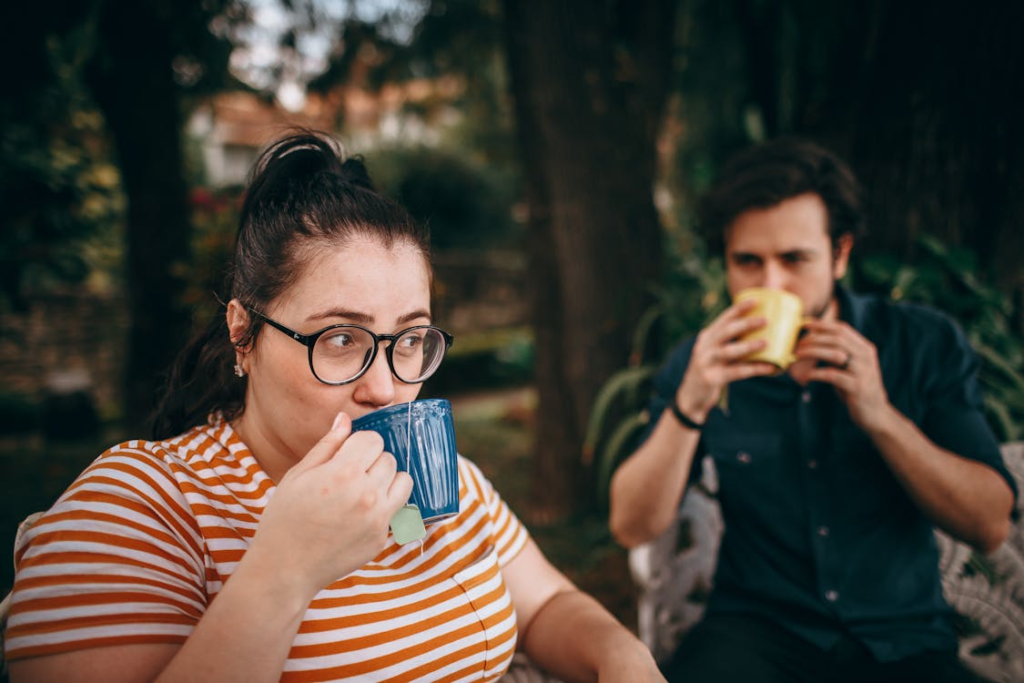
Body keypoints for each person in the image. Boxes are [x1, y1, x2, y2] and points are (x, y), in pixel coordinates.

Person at [3, 131, 663, 683]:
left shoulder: (446, 480)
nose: (386, 387)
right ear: (243, 333)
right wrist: (284, 568)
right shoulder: (141, 505)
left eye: (408, 339)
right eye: (341, 339)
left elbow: (546, 604)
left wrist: (622, 653)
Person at [608, 138, 1016, 683]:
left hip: (902, 640)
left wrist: (879, 414)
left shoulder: (922, 344)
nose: (770, 285)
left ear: (840, 254)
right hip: (755, 635)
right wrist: (690, 403)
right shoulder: (702, 360)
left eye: (794, 260)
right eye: (747, 262)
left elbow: (988, 524)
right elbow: (632, 523)